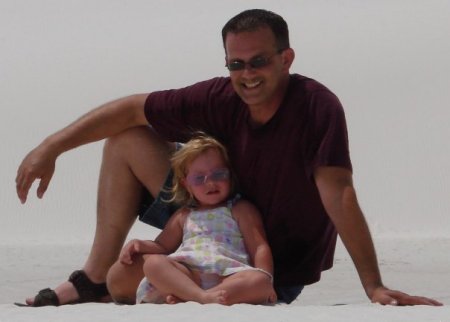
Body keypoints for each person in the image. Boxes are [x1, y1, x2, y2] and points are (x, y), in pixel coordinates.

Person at [15, 9, 442, 306]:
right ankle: (93, 280)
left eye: (259, 62)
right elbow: (131, 108)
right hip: (206, 232)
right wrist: (49, 147)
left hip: (264, 268)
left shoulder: (316, 106)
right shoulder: (221, 95)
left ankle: (183, 289)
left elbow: (339, 193)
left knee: (226, 278)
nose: (248, 75)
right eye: (237, 64)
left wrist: (374, 285)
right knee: (126, 139)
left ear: (286, 58)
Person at [108, 135, 276, 305]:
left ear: (230, 176)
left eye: (219, 174)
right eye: (199, 178)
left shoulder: (240, 209)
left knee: (259, 280)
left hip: (229, 275)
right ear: (186, 185)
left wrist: (266, 276)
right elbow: (163, 246)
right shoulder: (185, 214)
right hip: (189, 274)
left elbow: (259, 246)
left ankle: (196, 296)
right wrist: (140, 244)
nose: (210, 183)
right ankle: (199, 296)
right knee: (153, 264)